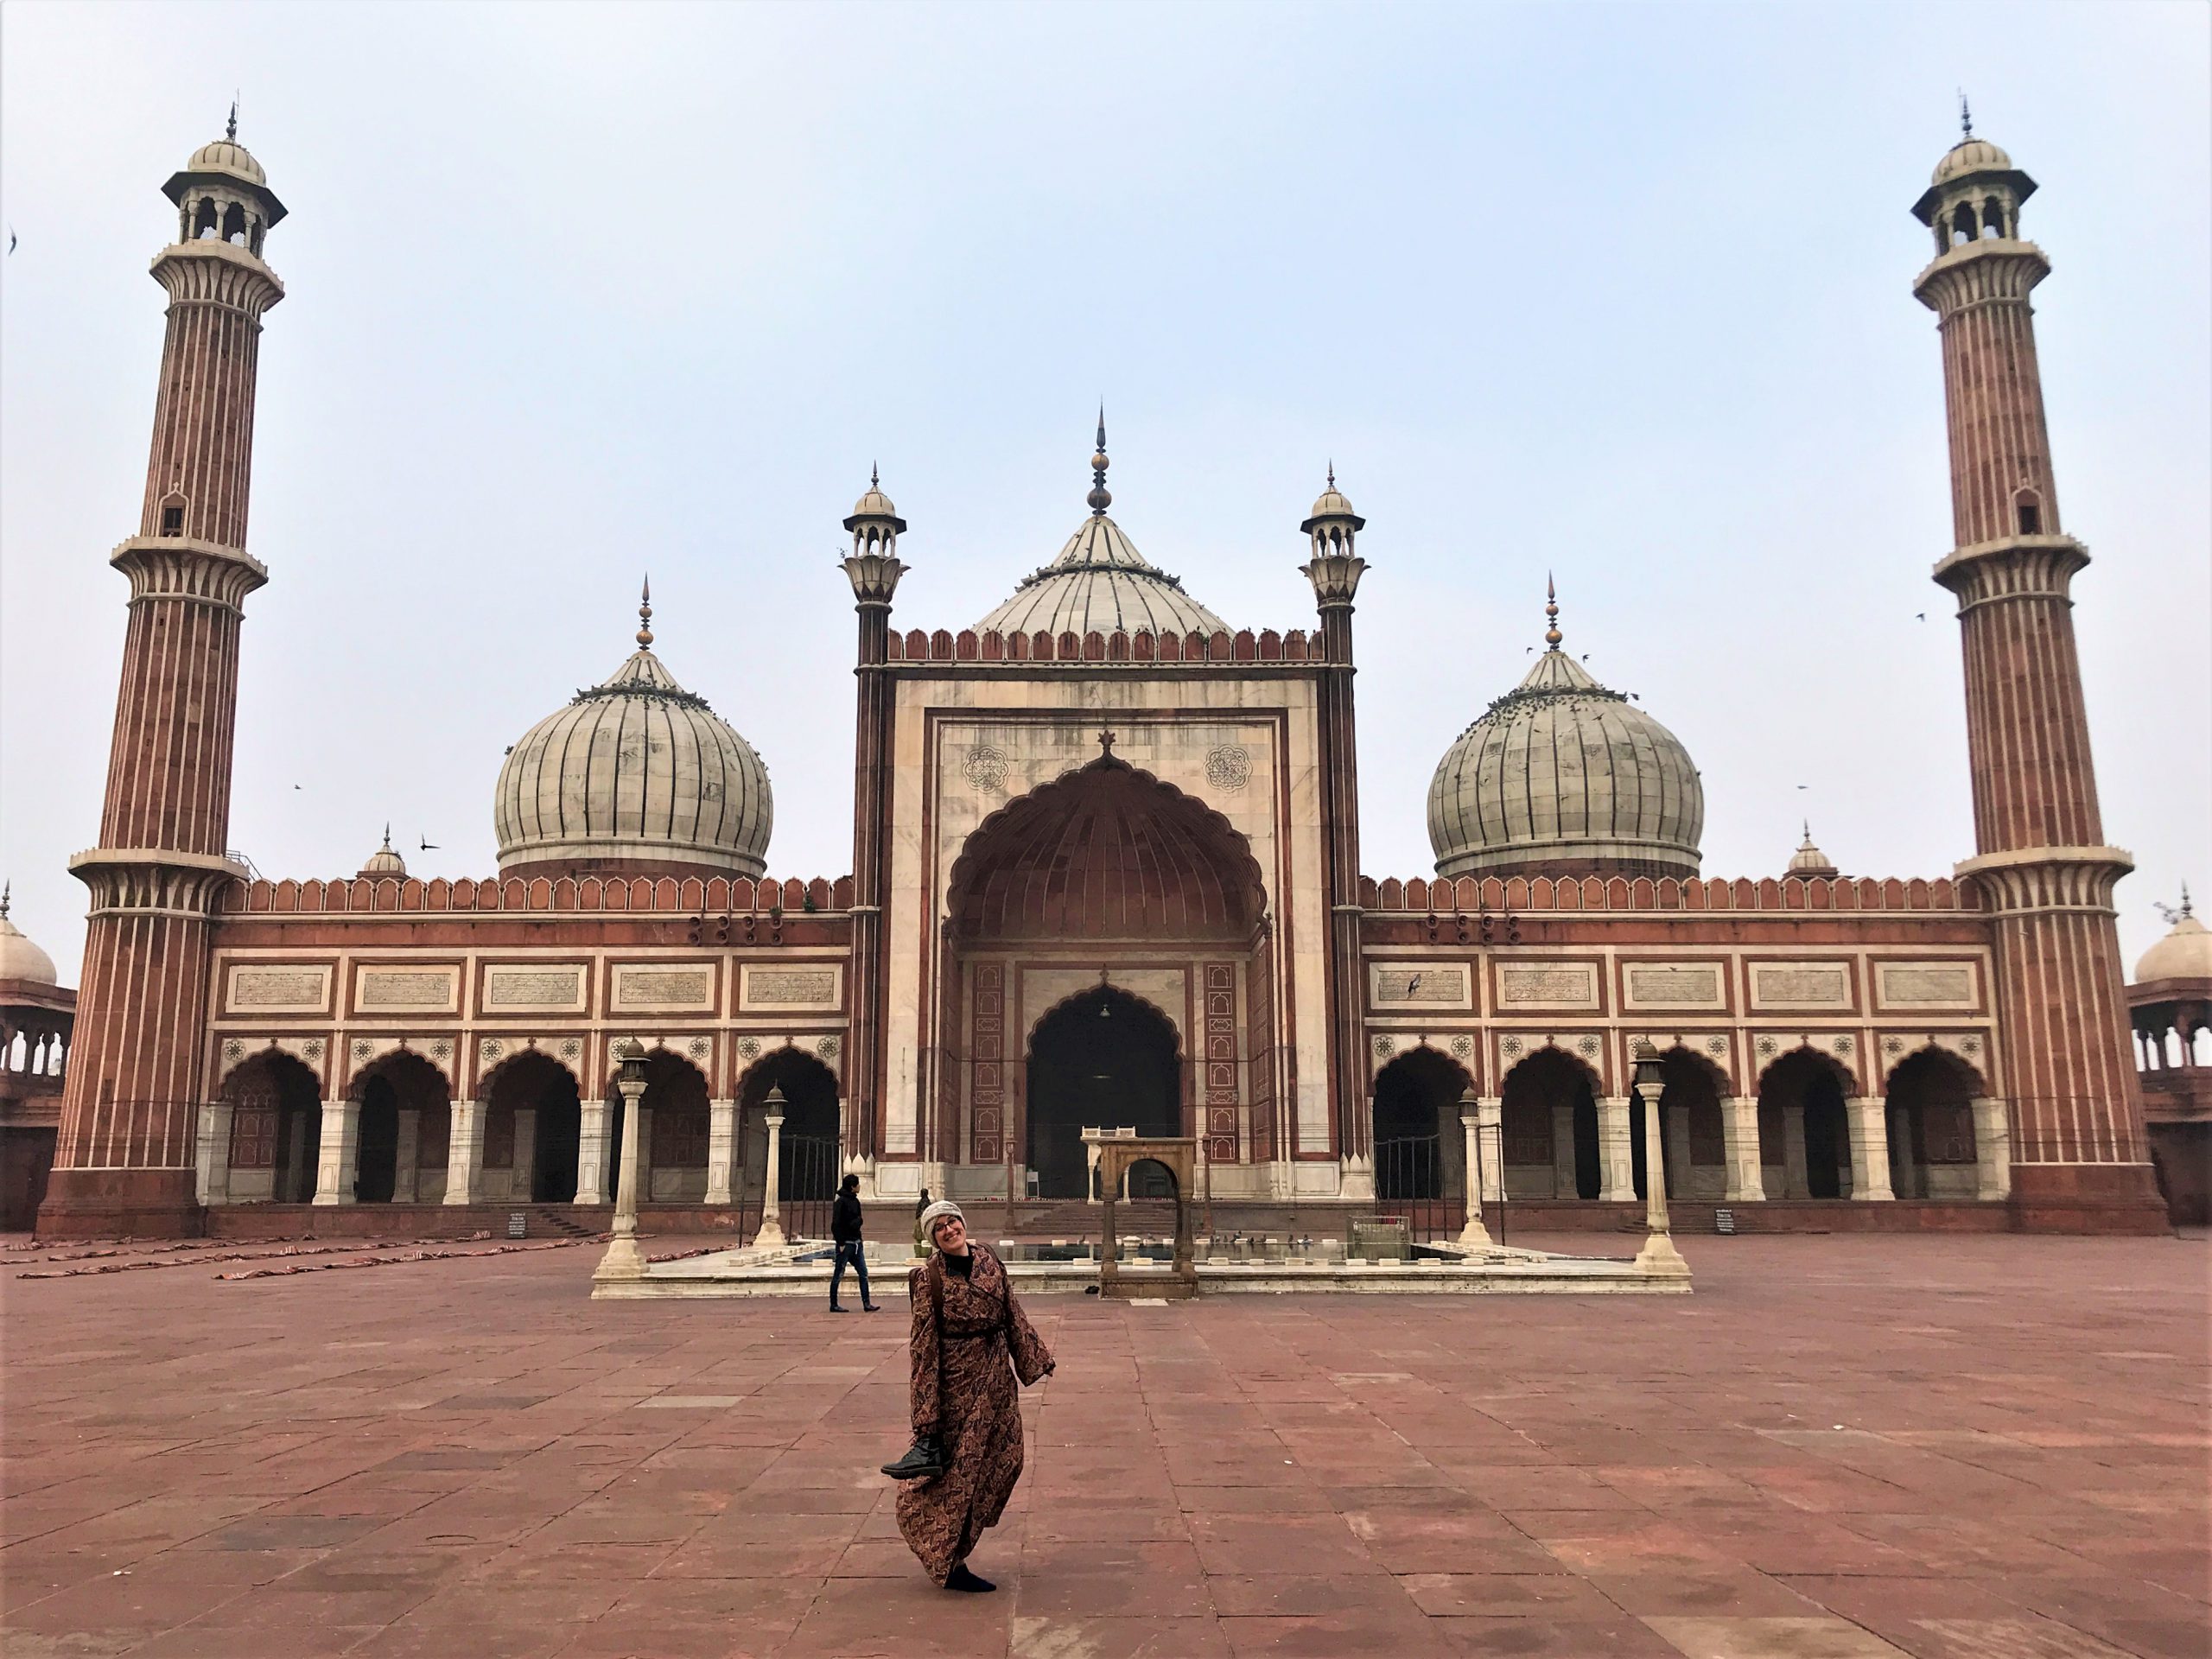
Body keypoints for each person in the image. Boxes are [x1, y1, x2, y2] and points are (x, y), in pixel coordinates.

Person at [880, 1200, 1053, 1592]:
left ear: (962, 1223)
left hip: (996, 1379)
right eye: (938, 1227)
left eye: (952, 1221)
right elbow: (922, 1349)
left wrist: (1034, 1357)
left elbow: (1012, 1311)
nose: (948, 1229)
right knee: (957, 1474)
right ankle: (951, 1558)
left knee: (1008, 1458)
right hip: (956, 1387)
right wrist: (926, 1419)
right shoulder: (929, 1280)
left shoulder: (989, 1258)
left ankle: (960, 1540)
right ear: (932, 1238)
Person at [829, 1173, 879, 1313]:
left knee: (863, 1273)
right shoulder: (841, 1202)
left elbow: (858, 1219)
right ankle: (834, 1304)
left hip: (856, 1242)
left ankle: (867, 1303)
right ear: (852, 1187)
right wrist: (841, 1242)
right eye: (857, 1184)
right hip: (847, 1243)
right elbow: (836, 1224)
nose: (859, 1186)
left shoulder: (855, 1201)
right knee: (838, 1274)